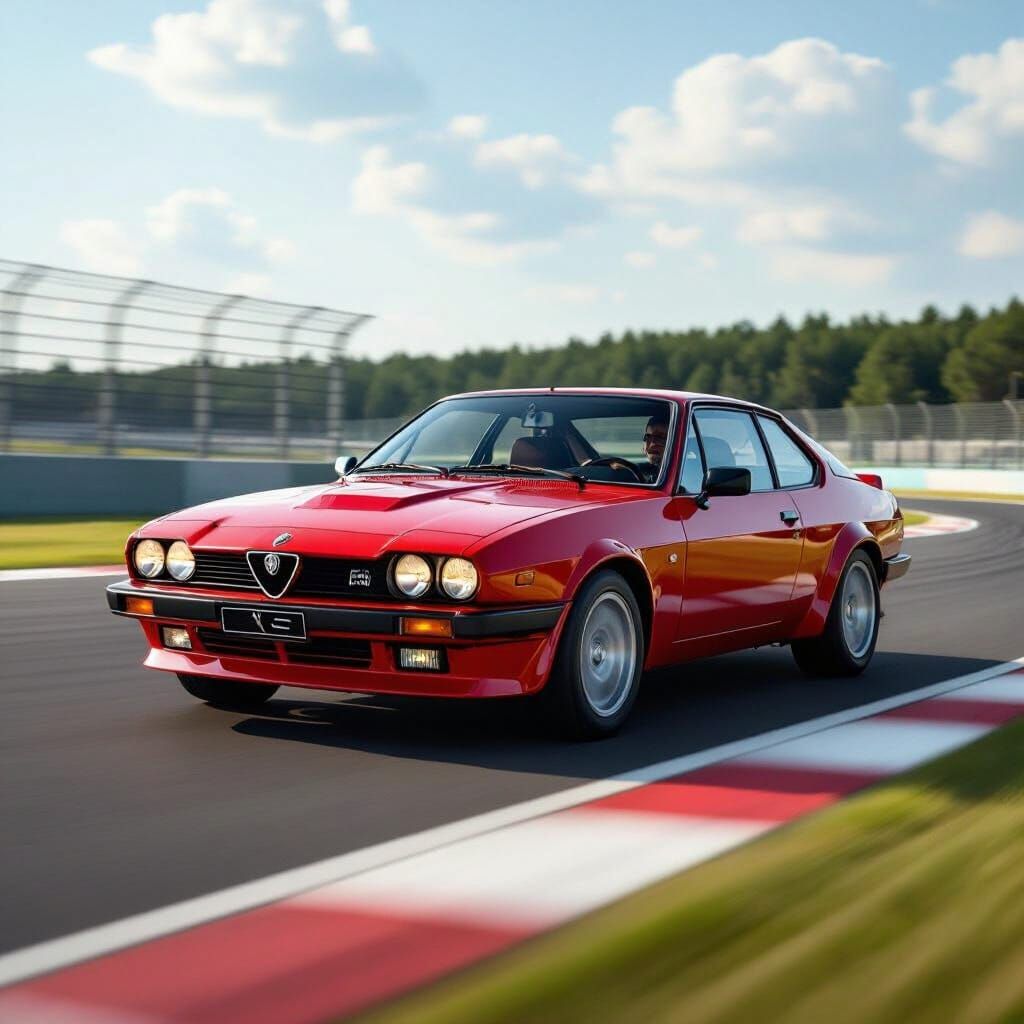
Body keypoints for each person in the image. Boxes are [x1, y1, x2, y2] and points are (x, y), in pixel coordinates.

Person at [640, 412, 669, 481]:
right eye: (648, 436)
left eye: (660, 437)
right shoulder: (639, 471)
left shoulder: (683, 480)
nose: (652, 443)